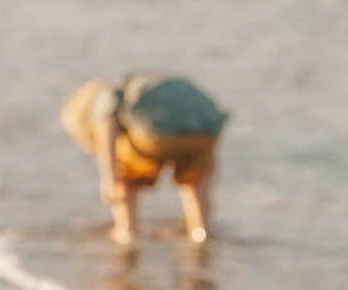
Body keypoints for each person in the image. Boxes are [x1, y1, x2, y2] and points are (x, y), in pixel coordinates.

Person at [60, 71, 228, 244]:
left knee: (127, 169)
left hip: (155, 131)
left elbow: (109, 123)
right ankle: (200, 233)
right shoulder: (139, 87)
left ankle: (127, 231)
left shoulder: (106, 95)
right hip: (207, 129)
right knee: (195, 182)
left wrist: (110, 178)